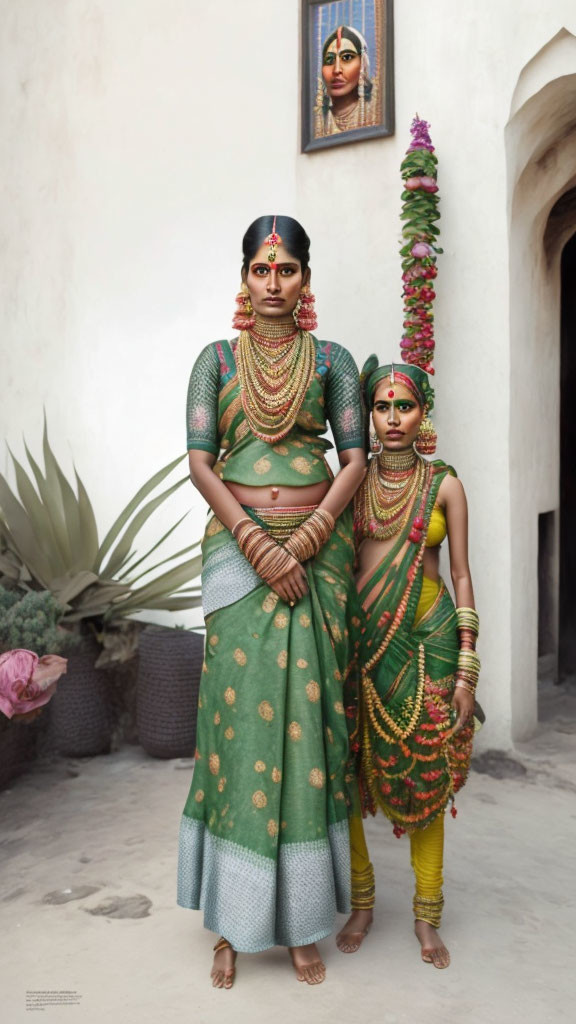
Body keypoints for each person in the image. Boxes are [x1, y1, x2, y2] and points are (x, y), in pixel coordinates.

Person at [177, 215, 366, 988]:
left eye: (287, 269)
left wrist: (312, 535)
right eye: (262, 268)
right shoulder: (214, 362)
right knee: (236, 732)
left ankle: (300, 920)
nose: (275, 281)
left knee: (308, 734)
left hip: (317, 559)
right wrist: (258, 545)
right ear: (245, 278)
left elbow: (353, 459)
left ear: (306, 280)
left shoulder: (335, 361)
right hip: (239, 558)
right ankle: (231, 922)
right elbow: (199, 462)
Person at [336, 359, 478, 969]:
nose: (393, 419)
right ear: (369, 413)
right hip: (365, 639)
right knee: (352, 773)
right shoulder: (353, 479)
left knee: (429, 771)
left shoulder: (445, 483)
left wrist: (469, 666)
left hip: (432, 640)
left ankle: (426, 914)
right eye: (383, 407)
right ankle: (363, 903)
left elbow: (463, 574)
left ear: (424, 414)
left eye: (406, 407)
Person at [315, 25, 375, 137]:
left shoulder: (375, 112)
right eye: (329, 59)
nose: (337, 70)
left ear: (363, 64)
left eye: (347, 58)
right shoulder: (316, 121)